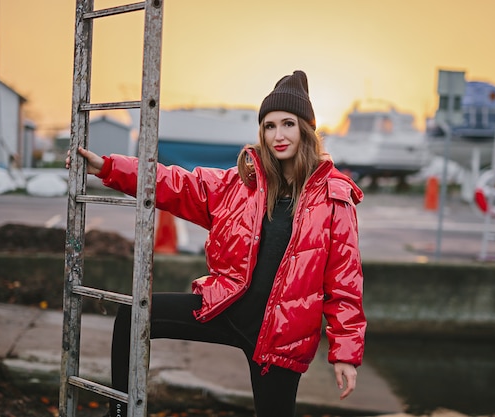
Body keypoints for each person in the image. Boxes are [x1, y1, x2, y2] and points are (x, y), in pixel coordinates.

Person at [66, 70, 366, 417]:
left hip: (281, 337)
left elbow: (345, 283)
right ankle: (118, 414)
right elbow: (175, 183)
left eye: (288, 124)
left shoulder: (333, 197)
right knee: (132, 316)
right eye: (269, 126)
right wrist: (107, 167)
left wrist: (345, 355)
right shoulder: (241, 185)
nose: (278, 135)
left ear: (305, 129)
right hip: (227, 308)